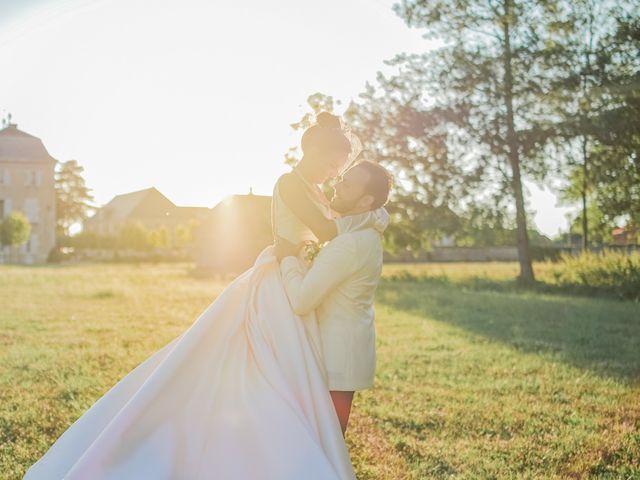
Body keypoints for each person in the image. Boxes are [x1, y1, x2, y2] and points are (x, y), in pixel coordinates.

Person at [24, 112, 384, 480]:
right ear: (312, 150)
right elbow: (326, 230)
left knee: (288, 367)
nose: (334, 173)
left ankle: (283, 443)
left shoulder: (317, 189)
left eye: (339, 168)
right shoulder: (290, 183)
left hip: (296, 274)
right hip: (278, 279)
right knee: (261, 363)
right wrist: (371, 217)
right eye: (331, 163)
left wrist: (369, 215)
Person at [276, 160, 392, 435]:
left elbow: (302, 301)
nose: (336, 185)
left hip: (336, 360)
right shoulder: (363, 231)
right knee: (324, 442)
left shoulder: (350, 244)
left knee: (324, 442)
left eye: (347, 185)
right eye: (341, 178)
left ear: (365, 201)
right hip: (341, 355)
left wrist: (288, 259)